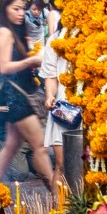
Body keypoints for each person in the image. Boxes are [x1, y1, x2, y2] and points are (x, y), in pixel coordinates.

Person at [0, 0, 53, 190]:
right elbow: (4, 67)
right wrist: (31, 60)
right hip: (17, 98)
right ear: (4, 9)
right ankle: (57, 191)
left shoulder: (15, 32)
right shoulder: (4, 32)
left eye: (22, 9)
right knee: (39, 147)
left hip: (20, 94)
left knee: (11, 147)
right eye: (15, 9)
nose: (19, 13)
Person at [40, 29, 70, 191]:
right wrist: (50, 95)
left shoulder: (95, 33)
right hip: (64, 109)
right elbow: (50, 75)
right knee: (61, 165)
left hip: (93, 108)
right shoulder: (56, 39)